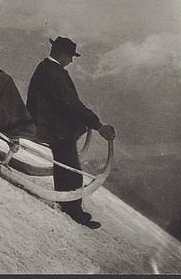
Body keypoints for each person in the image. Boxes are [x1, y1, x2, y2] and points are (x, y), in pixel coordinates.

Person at [26, 36, 116, 229]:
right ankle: (74, 208)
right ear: (63, 54)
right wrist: (97, 125)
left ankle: (68, 201)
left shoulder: (48, 68)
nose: (72, 60)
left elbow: (66, 103)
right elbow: (70, 104)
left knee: (65, 157)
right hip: (48, 125)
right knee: (70, 163)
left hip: (45, 121)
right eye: (70, 56)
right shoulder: (55, 73)